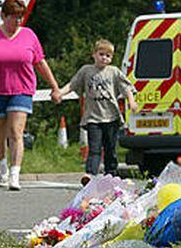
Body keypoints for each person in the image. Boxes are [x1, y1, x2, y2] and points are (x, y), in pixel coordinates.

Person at [0, 0, 61, 191]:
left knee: (16, 133)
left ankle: (15, 175)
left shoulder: (29, 35)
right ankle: (2, 167)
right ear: (3, 15)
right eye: (14, 17)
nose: (18, 21)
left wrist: (54, 86)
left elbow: (40, 62)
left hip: (22, 90)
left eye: (21, 17)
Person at [59, 39, 137, 185]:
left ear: (111, 58)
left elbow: (126, 87)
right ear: (94, 54)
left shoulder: (113, 72)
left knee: (110, 149)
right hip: (93, 118)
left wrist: (131, 101)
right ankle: (90, 174)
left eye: (108, 56)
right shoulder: (86, 71)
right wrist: (60, 93)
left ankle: (111, 175)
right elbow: (72, 84)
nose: (104, 58)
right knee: (94, 148)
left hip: (111, 118)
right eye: (101, 54)